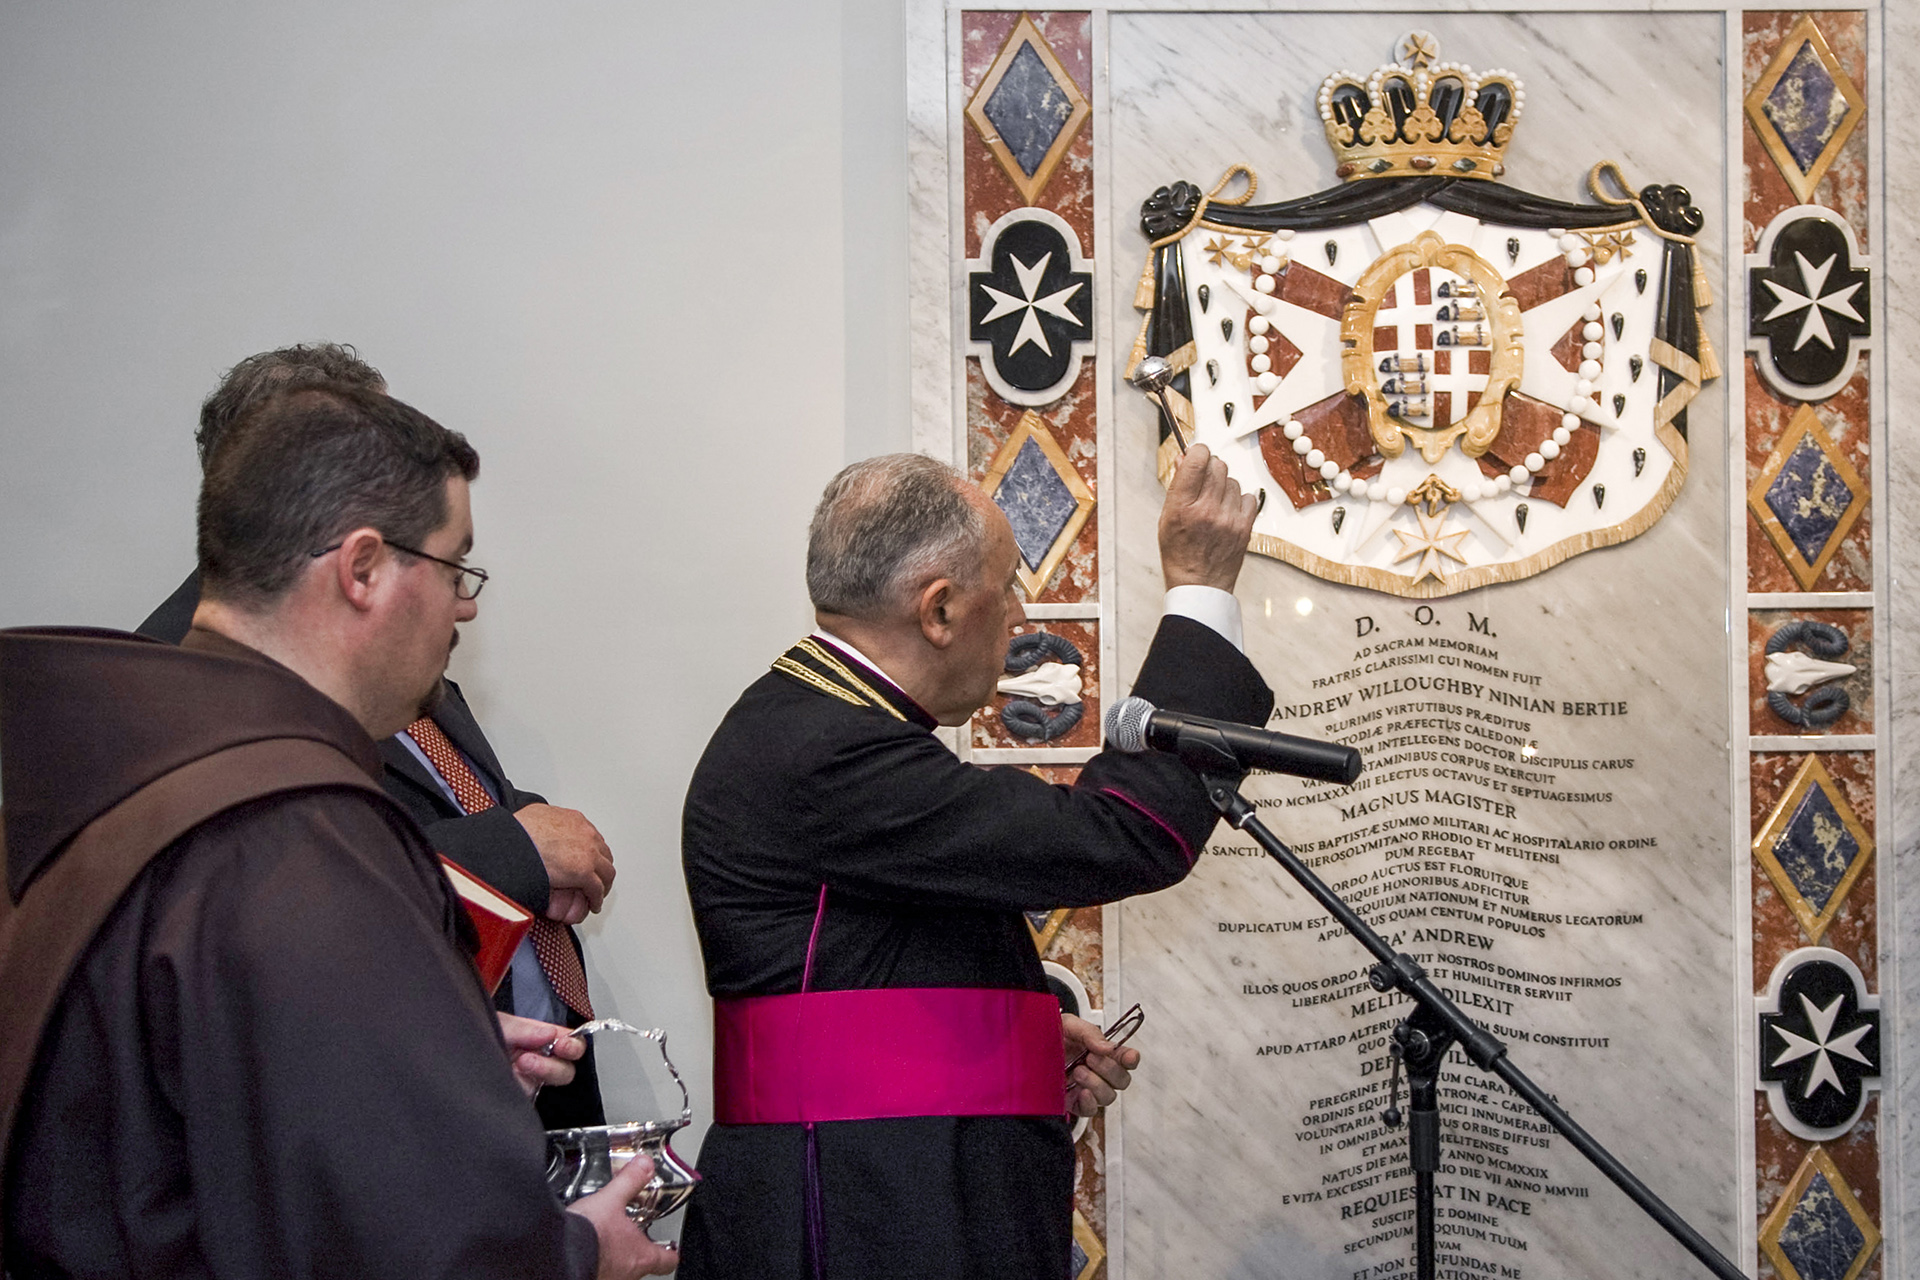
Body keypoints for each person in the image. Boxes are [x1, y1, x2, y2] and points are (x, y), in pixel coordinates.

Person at [0, 385, 674, 1278]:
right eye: (454, 568)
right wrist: (578, 1249)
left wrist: (434, 1055)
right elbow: (408, 1239)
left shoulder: (137, 761)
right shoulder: (299, 831)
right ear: (361, 570)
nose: (464, 609)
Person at [677, 446, 1273, 1280]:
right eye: (1009, 584)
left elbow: (867, 973)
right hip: (860, 1213)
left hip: (882, 1185)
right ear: (942, 609)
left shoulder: (821, 722)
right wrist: (1203, 594)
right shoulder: (828, 750)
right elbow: (1119, 833)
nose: (1022, 612)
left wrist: (1011, 1049)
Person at [137, 344, 615, 1128]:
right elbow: (277, 919)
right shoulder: (182, 683)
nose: (463, 603)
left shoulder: (379, 647)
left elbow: (420, 792)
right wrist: (514, 851)